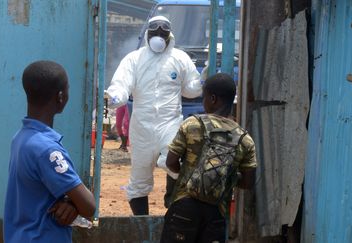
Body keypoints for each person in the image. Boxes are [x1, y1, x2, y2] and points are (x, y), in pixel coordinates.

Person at [105, 15, 203, 215]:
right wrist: (114, 96)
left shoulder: (180, 58)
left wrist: (204, 78)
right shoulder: (134, 59)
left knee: (174, 164)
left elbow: (191, 91)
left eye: (163, 32)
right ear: (148, 33)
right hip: (142, 126)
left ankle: (173, 215)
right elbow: (122, 84)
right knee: (139, 178)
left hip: (171, 124)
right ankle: (142, 221)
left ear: (169, 35)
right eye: (155, 31)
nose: (159, 35)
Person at [3, 61, 96, 243]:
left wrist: (71, 203)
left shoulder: (21, 138)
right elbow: (89, 206)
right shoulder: (47, 150)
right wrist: (76, 203)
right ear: (60, 97)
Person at [160, 73, 257, 243]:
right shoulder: (245, 139)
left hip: (184, 207)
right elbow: (248, 183)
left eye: (204, 97)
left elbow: (171, 162)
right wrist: (225, 177)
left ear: (212, 98)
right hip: (216, 212)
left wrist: (191, 172)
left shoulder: (192, 125)